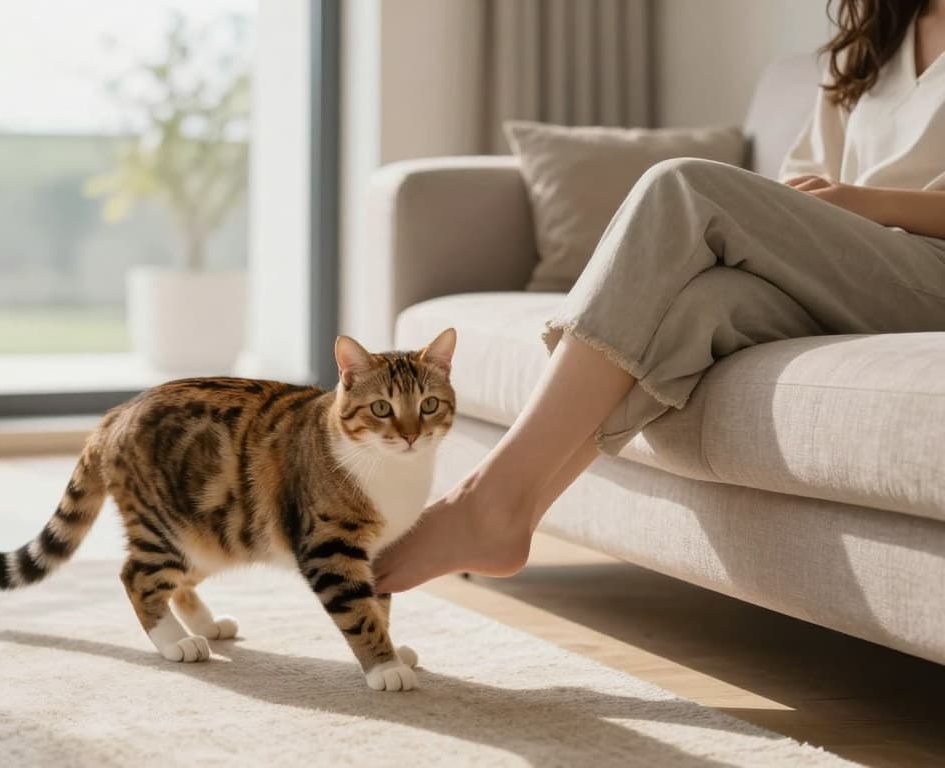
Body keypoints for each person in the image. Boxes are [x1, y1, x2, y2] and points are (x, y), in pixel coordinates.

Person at [373, 0, 945, 594]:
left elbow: (837, 198)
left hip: (932, 275)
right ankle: (511, 514)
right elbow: (801, 184)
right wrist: (801, 220)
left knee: (681, 184)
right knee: (700, 306)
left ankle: (484, 499)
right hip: (844, 270)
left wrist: (862, 202)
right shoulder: (869, 42)